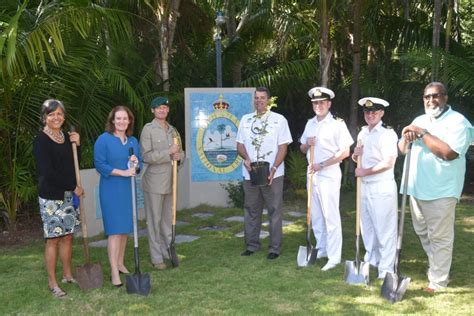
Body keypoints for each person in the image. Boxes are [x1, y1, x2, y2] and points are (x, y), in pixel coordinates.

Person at [398, 82, 473, 293]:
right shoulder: (419, 120)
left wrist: (421, 133)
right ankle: (438, 269)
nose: (431, 100)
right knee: (423, 232)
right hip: (415, 187)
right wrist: (406, 135)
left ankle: (438, 281)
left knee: (440, 237)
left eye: (436, 96)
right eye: (427, 97)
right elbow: (402, 149)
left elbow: (449, 153)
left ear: (446, 97)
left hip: (441, 190)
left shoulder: (458, 122)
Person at [33, 99, 83, 298]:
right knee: (53, 239)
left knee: (68, 237)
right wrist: (73, 186)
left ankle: (67, 274)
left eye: (60, 114)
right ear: (44, 117)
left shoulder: (65, 136)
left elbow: (74, 164)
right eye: (52, 114)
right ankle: (52, 282)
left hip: (68, 196)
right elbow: (47, 172)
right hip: (51, 197)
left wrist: (77, 145)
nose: (56, 117)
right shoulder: (41, 140)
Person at [299, 87, 354, 271]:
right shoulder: (310, 124)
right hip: (312, 174)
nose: (318, 106)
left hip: (328, 174)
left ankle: (334, 256)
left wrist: (322, 164)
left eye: (322, 102)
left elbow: (345, 152)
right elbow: (301, 149)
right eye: (315, 103)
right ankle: (321, 247)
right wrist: (307, 144)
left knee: (330, 216)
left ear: (329, 104)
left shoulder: (337, 124)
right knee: (315, 215)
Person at [236, 87, 293, 260]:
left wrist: (274, 168)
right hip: (250, 173)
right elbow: (239, 145)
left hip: (273, 174)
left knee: (274, 210)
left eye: (262, 98)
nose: (259, 100)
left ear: (268, 100)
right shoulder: (246, 119)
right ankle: (252, 244)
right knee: (252, 209)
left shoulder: (279, 120)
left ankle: (274, 248)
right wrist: (246, 158)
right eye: (256, 98)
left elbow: (283, 147)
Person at [94, 105, 142, 287]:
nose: (122, 122)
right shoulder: (103, 140)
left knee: (124, 230)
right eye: (118, 118)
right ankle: (114, 271)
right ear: (112, 120)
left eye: (125, 118)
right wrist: (122, 172)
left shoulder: (132, 141)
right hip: (111, 189)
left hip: (127, 190)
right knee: (115, 231)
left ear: (129, 121)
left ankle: (120, 263)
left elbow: (139, 166)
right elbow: (100, 164)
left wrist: (135, 165)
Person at [352, 97, 398, 279]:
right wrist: (355, 156)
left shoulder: (388, 134)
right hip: (364, 186)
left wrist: (365, 171)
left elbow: (389, 162)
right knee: (367, 227)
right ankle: (371, 260)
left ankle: (386, 269)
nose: (370, 115)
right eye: (367, 112)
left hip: (381, 186)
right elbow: (359, 159)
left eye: (374, 112)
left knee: (384, 229)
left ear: (381, 113)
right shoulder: (362, 133)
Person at [140, 97, 184, 270]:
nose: (162, 111)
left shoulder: (173, 131)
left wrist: (179, 156)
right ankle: (156, 257)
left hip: (171, 182)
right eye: (158, 108)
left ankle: (168, 252)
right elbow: (146, 156)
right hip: (154, 183)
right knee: (154, 221)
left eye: (165, 107)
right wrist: (168, 153)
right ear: (153, 111)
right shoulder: (148, 130)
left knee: (168, 220)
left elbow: (180, 153)